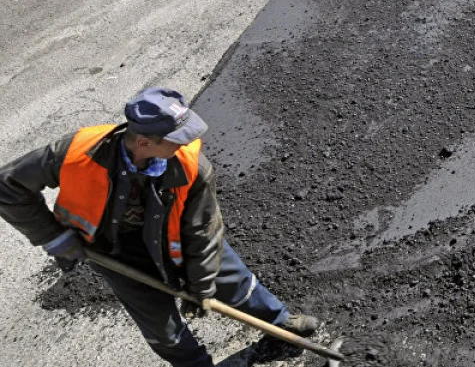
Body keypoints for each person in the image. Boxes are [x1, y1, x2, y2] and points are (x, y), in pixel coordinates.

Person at [0, 87, 319, 367]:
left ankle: (280, 323)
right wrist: (53, 237)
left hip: (179, 239)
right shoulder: (77, 153)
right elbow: (8, 186)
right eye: (178, 139)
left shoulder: (192, 168)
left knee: (237, 283)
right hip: (117, 255)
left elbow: (203, 232)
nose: (190, 143)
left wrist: (200, 288)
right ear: (144, 142)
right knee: (163, 330)